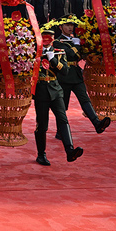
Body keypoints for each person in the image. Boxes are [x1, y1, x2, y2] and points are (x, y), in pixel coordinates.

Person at [33, 28, 84, 165]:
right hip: (41, 91)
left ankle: (70, 150)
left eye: (49, 36)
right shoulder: (33, 53)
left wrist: (53, 59)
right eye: (44, 36)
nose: (47, 39)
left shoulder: (59, 52)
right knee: (42, 124)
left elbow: (65, 71)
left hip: (56, 89)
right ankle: (41, 154)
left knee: (63, 119)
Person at [53, 20, 111, 134]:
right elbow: (69, 54)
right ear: (61, 27)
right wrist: (77, 45)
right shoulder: (57, 41)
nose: (70, 28)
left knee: (84, 99)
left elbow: (80, 54)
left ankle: (97, 123)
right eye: (67, 25)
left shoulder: (76, 39)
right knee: (62, 105)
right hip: (64, 75)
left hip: (76, 74)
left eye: (72, 26)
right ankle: (60, 130)